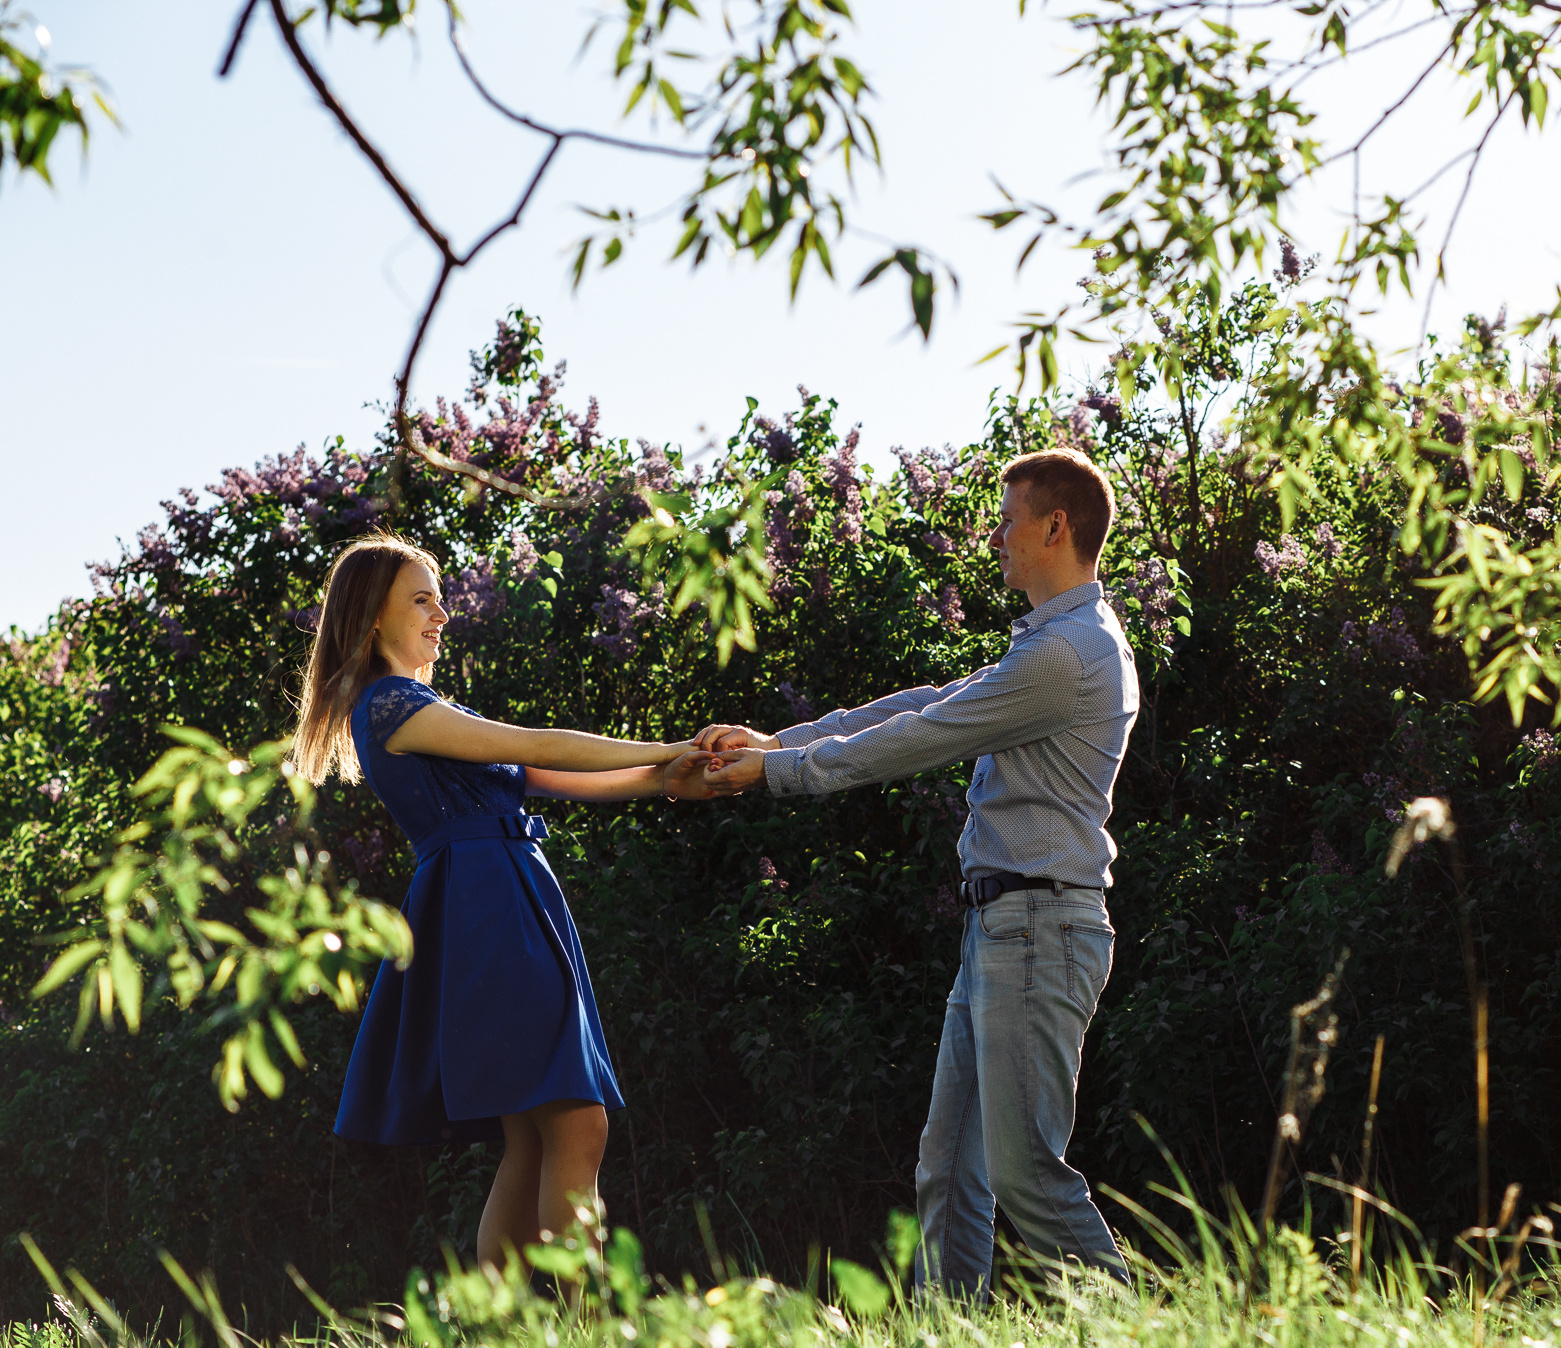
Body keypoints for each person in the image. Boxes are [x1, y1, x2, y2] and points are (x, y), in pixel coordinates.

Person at [679, 447, 1140, 1298]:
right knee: (947, 1171)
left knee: (1027, 1176)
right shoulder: (1051, 642)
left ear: (1055, 526)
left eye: (1008, 520)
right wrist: (780, 740)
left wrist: (779, 774)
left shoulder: (1067, 653)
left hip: (1039, 931)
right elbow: (924, 703)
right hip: (1004, 930)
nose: (996, 536)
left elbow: (924, 738)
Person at [291, 534, 709, 1275]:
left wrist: (667, 775)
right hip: (488, 910)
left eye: (440, 596)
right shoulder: (390, 703)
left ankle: (509, 1341)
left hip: (504, 899)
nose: (442, 613)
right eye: (421, 598)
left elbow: (545, 777)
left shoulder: (418, 706)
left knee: (535, 1134)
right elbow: (541, 744)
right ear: (371, 620)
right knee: (577, 1123)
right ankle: (580, 1339)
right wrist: (667, 743)